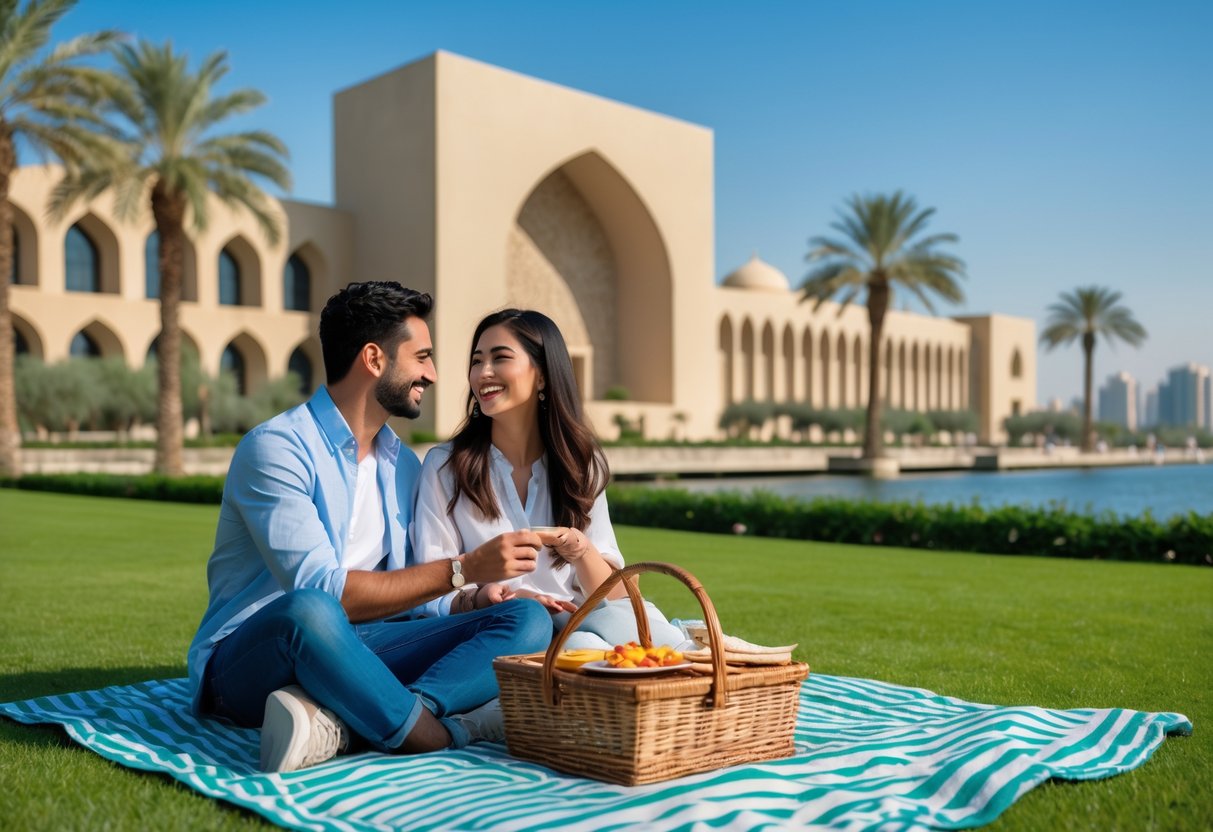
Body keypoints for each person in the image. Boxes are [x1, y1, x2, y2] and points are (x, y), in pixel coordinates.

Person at [187, 283, 552, 774]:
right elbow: (325, 592)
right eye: (421, 357)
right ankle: (430, 735)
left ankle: (356, 717)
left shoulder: (402, 464)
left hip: (368, 648)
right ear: (374, 359)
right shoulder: (276, 448)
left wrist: (470, 597)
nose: (434, 374)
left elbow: (413, 591)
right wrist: (463, 569)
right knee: (311, 611)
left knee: (527, 621)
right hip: (256, 660)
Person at [411, 308, 685, 650]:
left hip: (587, 625)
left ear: (542, 376)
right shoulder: (445, 467)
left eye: (500, 358)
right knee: (581, 649)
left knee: (636, 641)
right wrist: (489, 596)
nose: (484, 373)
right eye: (477, 361)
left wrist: (580, 550)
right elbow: (428, 591)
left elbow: (616, 595)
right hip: (501, 633)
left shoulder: (582, 464)